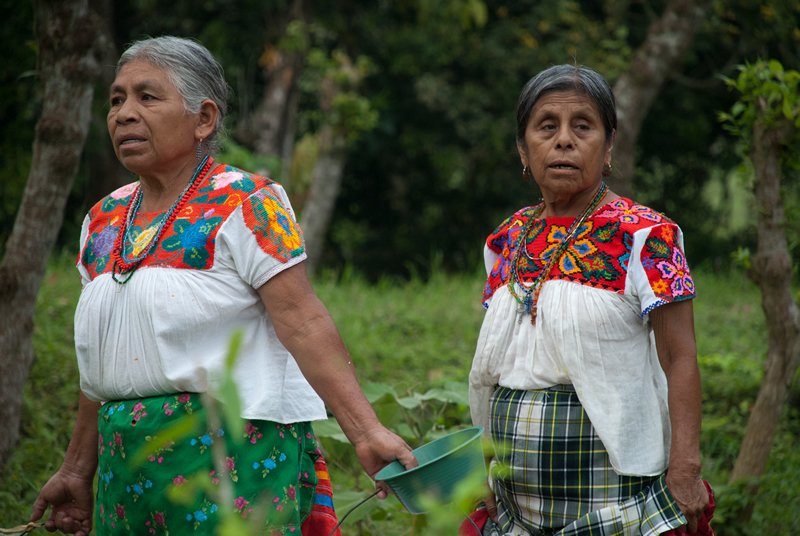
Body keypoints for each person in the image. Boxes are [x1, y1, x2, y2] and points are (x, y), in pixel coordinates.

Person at [30, 36, 415, 536]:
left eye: (147, 97)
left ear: (204, 119)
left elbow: (303, 320)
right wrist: (78, 469)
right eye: (116, 99)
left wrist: (366, 432)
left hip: (230, 458)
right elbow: (105, 359)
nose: (124, 113)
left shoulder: (248, 201)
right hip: (127, 468)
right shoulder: (103, 221)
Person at [467, 65, 714, 535]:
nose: (564, 140)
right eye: (546, 127)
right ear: (523, 149)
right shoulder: (507, 238)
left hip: (614, 502)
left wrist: (685, 467)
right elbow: (505, 359)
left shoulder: (647, 235)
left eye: (583, 126)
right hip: (513, 506)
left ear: (608, 147)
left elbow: (680, 357)